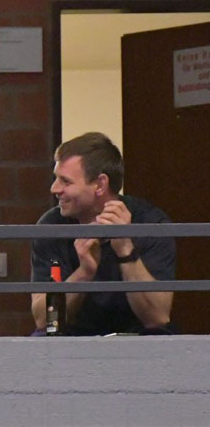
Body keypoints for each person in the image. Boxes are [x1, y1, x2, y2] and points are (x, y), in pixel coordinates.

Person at [30, 132, 175, 336]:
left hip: (136, 336)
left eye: (65, 181)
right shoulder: (51, 227)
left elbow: (158, 318)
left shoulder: (151, 222)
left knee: (162, 338)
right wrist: (84, 273)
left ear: (99, 184)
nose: (54, 189)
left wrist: (125, 250)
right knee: (42, 339)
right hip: (72, 335)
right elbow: (44, 321)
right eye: (56, 179)